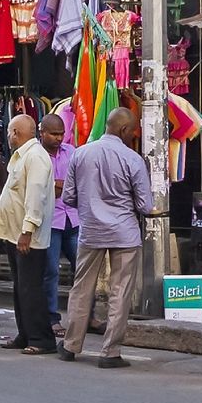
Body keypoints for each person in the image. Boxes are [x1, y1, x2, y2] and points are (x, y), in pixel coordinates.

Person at [58, 109, 153, 369]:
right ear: (124, 131)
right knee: (119, 292)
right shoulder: (132, 159)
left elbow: (68, 197)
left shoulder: (81, 153)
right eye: (132, 131)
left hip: (90, 230)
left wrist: (90, 203)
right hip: (124, 233)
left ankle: (70, 345)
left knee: (81, 288)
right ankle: (110, 352)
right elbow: (145, 205)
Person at [0, 114, 58, 354]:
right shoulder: (21, 156)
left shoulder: (35, 157)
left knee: (31, 288)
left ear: (15, 133)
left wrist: (27, 231)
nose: (8, 136)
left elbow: (35, 197)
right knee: (21, 287)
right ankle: (26, 334)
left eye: (10, 131)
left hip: (27, 236)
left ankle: (42, 339)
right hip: (14, 233)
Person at [40, 114, 79, 335]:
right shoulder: (35, 155)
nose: (58, 138)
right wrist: (57, 186)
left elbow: (77, 183)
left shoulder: (71, 152)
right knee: (51, 271)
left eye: (61, 134)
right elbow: (41, 187)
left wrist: (56, 186)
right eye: (54, 134)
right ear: (42, 132)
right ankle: (52, 317)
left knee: (82, 269)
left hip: (73, 218)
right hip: (50, 221)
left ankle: (86, 316)